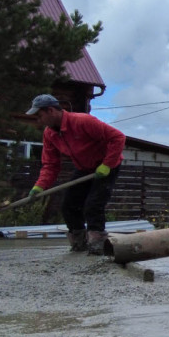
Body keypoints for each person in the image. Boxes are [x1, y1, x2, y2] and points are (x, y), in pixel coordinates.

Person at [26, 94, 125, 255]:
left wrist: (107, 164)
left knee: (93, 204)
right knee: (69, 205)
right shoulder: (49, 134)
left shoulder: (83, 121)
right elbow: (51, 164)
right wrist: (40, 186)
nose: (38, 119)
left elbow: (118, 137)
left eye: (39, 115)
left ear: (50, 110)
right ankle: (80, 242)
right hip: (84, 168)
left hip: (107, 165)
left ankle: (98, 242)